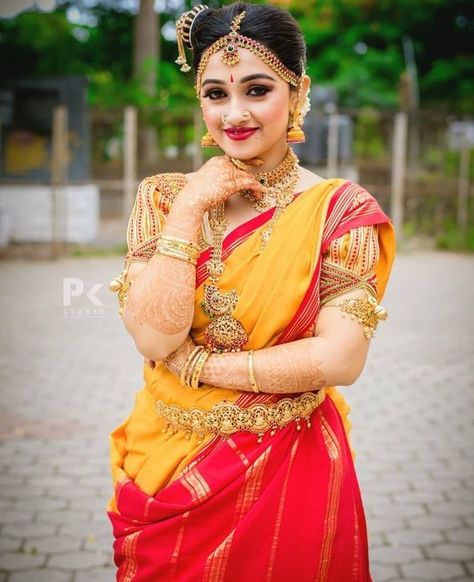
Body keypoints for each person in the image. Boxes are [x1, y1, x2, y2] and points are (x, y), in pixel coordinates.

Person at [106, 3, 396, 580]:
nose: (233, 113)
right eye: (215, 94)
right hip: (166, 459)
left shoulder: (340, 211)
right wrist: (191, 209)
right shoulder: (164, 198)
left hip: (288, 466)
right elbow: (153, 335)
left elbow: (340, 358)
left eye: (256, 89)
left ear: (298, 91)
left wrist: (200, 365)